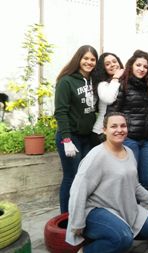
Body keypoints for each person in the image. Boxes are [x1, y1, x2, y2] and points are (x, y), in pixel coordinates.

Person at [66, 112, 148, 253]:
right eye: (113, 126)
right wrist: (77, 222)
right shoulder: (96, 156)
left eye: (123, 126)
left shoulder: (129, 152)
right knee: (123, 239)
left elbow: (135, 185)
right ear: (104, 130)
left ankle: (114, 234)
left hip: (123, 207)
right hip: (96, 209)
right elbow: (78, 190)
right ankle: (87, 250)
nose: (119, 130)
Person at [107, 50, 148, 190]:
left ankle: (141, 209)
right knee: (130, 180)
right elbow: (112, 112)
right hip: (129, 139)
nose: (142, 69)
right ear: (131, 65)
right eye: (138, 65)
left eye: (145, 66)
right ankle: (130, 209)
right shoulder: (123, 84)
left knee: (147, 180)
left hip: (147, 140)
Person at [54, 45, 98, 213]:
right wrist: (66, 140)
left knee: (86, 177)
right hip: (70, 137)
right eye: (85, 58)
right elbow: (61, 111)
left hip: (88, 138)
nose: (89, 62)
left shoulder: (95, 80)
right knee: (71, 177)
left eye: (92, 59)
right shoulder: (66, 81)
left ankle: (80, 211)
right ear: (78, 59)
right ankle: (65, 216)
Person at [91, 52, 124, 145]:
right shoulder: (102, 84)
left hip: (118, 131)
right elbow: (109, 99)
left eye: (114, 61)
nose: (112, 65)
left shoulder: (124, 82)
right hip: (101, 133)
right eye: (107, 64)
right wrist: (116, 77)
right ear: (103, 68)